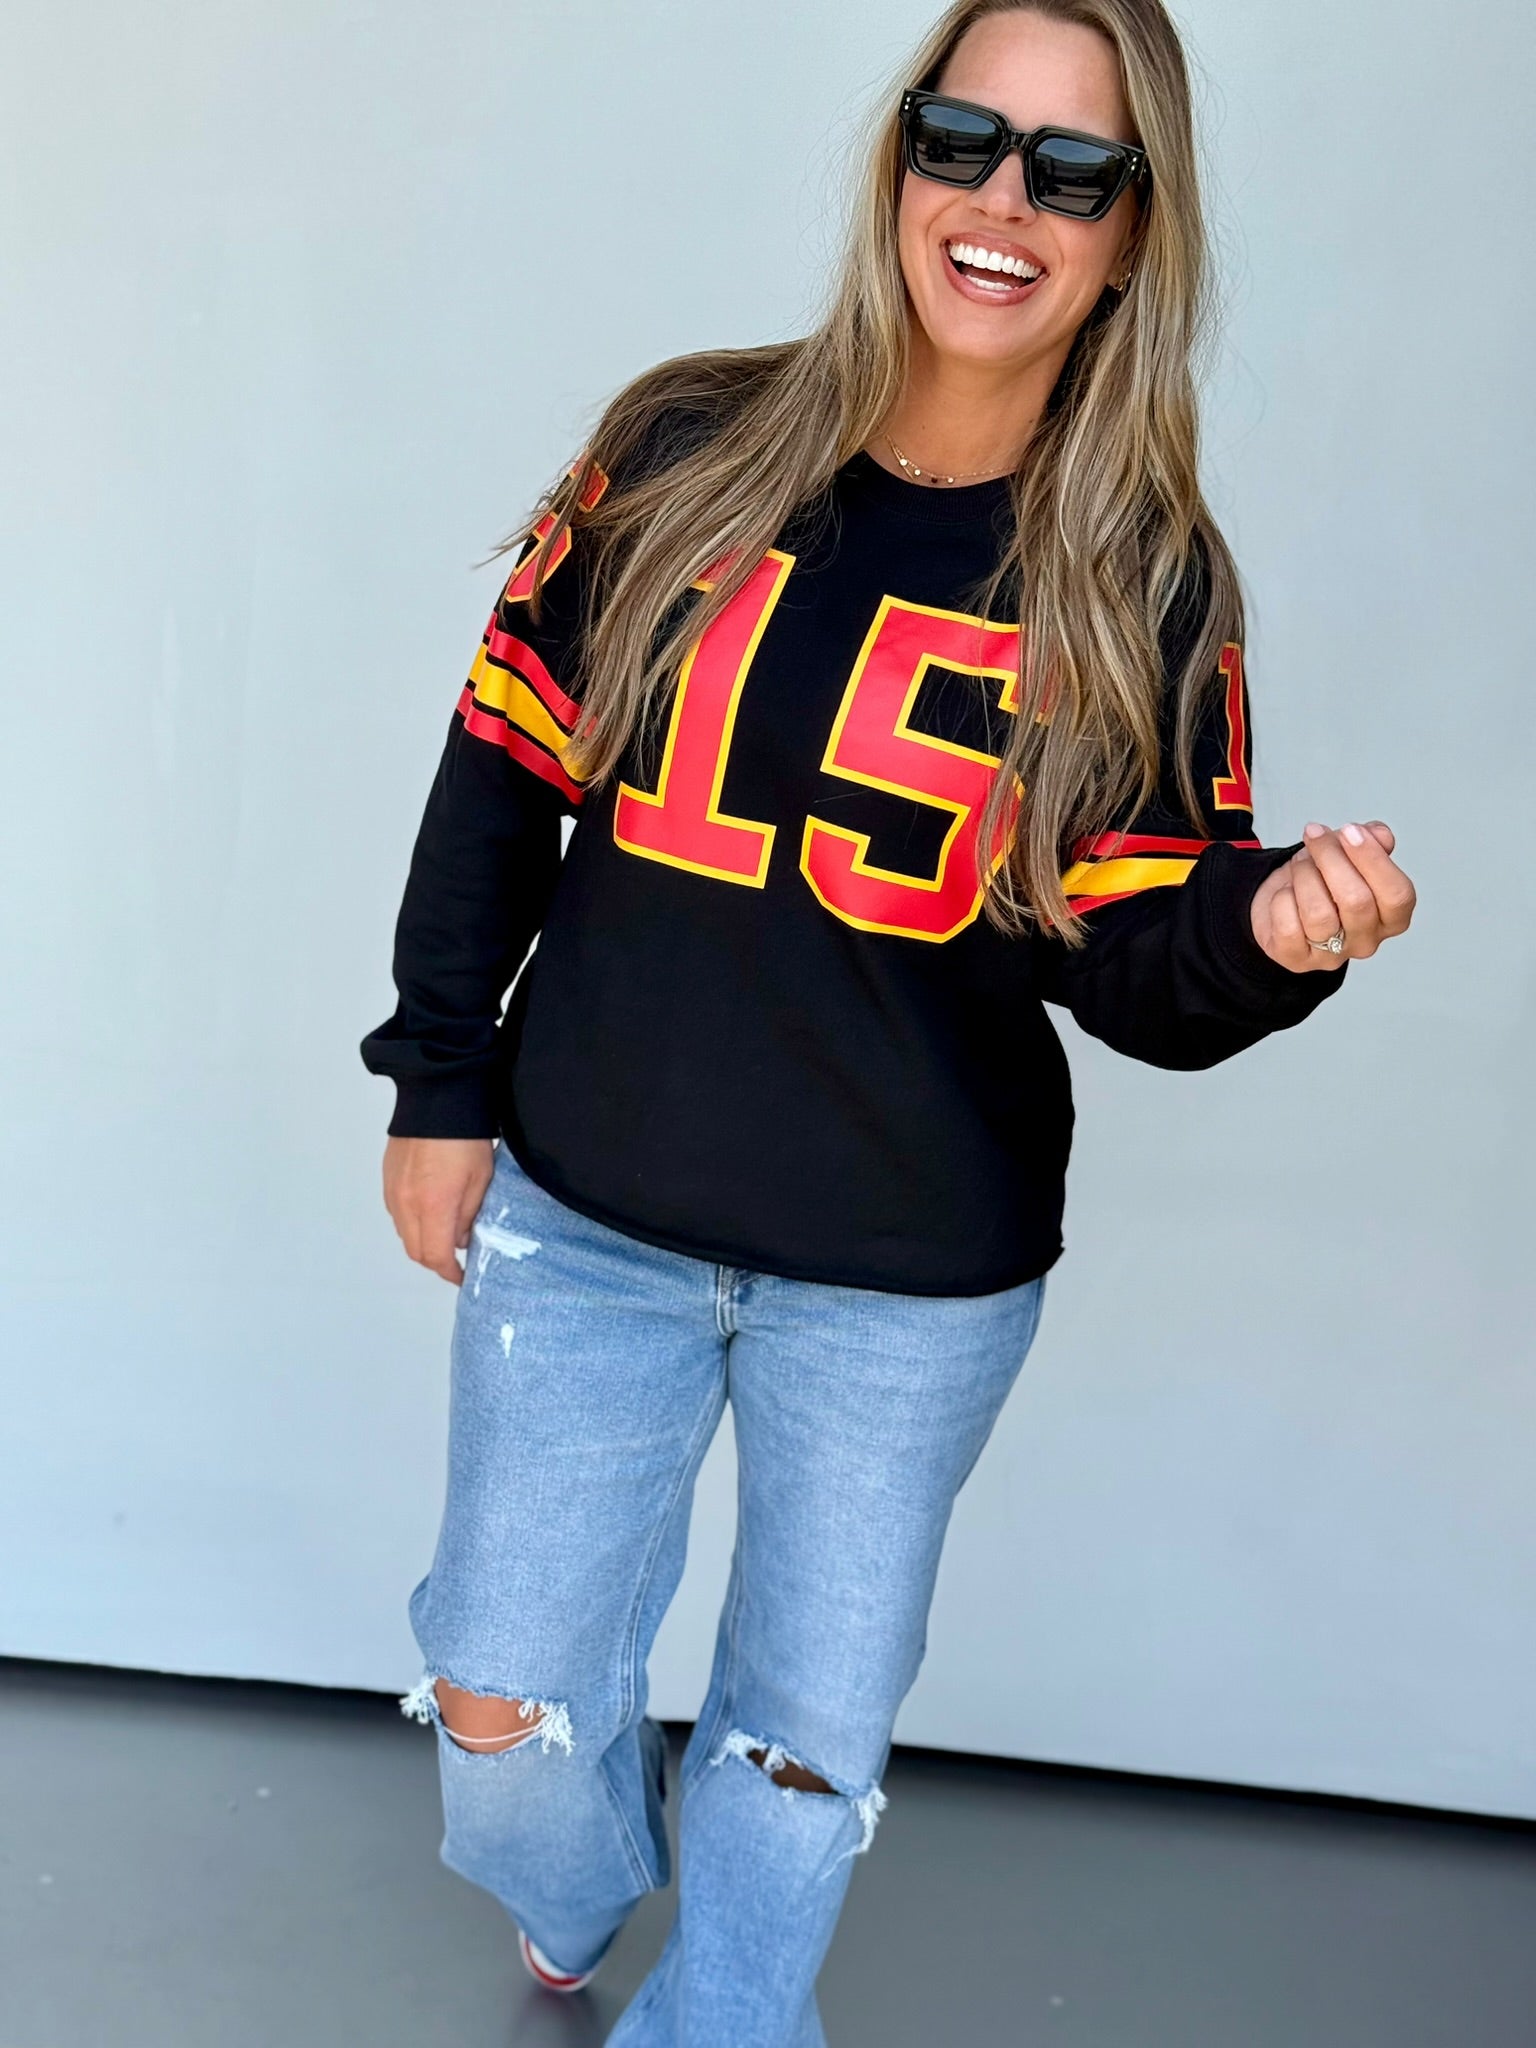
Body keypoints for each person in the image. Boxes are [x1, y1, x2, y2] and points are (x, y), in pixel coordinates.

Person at [360, 1, 1416, 2040]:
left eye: (1074, 167)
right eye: (963, 138)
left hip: (909, 1281)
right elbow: (498, 770)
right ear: (900, 158)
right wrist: (436, 1072)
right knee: (500, 1707)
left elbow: (1138, 961)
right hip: (589, 1218)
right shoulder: (684, 445)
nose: (1005, 199)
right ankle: (584, 1883)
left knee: (798, 1752)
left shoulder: (1144, 581)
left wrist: (1276, 932)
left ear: (1134, 228)